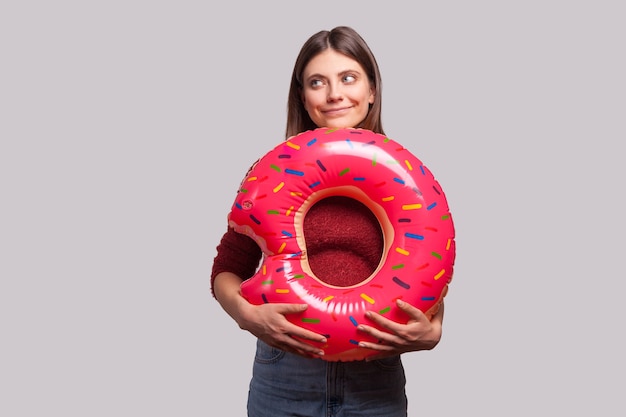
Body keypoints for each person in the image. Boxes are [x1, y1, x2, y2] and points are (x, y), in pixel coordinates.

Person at [211, 26, 445, 417]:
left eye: (348, 78)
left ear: (371, 90)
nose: (334, 93)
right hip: (285, 374)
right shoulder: (270, 175)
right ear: (303, 98)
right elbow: (227, 268)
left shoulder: (409, 180)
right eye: (317, 82)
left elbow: (428, 275)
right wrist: (245, 315)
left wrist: (432, 332)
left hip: (374, 378)